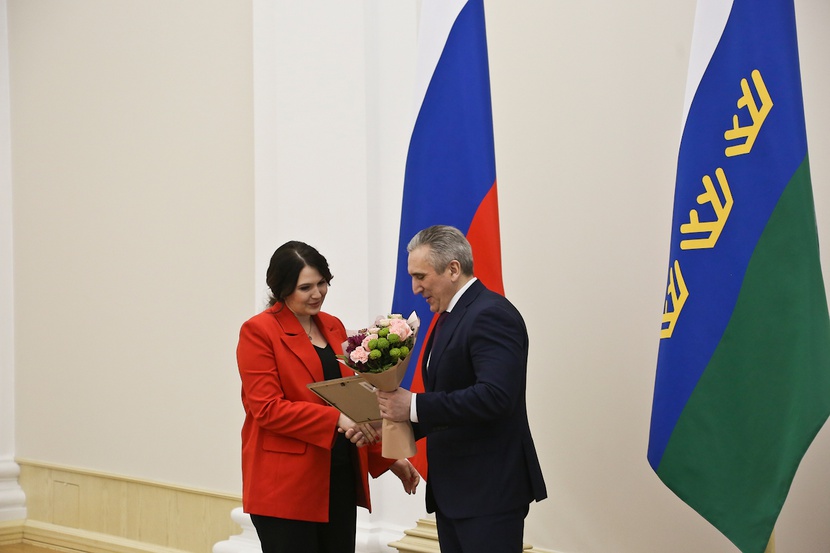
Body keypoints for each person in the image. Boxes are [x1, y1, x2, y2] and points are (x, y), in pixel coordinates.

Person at [237, 241, 420, 553]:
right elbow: (267, 409)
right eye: (305, 287)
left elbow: (352, 402)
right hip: (286, 487)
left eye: (322, 283)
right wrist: (336, 419)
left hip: (339, 477)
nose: (317, 293)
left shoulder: (333, 326)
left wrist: (389, 458)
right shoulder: (258, 331)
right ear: (282, 288)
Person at [376, 225, 547, 553]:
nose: (415, 288)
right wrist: (385, 421)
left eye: (420, 276)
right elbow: (451, 398)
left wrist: (412, 406)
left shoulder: (491, 313)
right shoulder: (450, 316)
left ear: (453, 269)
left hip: (489, 493)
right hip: (455, 492)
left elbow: (495, 396)